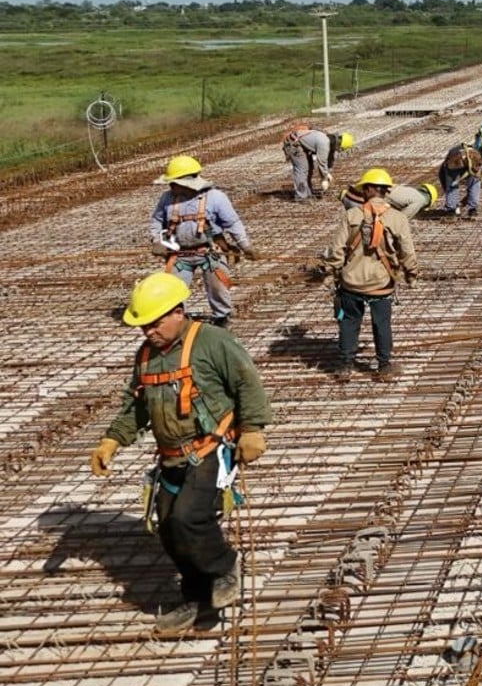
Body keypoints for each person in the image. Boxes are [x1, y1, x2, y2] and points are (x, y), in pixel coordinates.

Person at [89, 272, 272, 635]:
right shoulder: (146, 356)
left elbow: (246, 380)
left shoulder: (212, 341)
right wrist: (112, 440)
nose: (148, 332)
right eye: (142, 327)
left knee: (188, 518)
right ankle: (196, 598)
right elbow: (136, 406)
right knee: (169, 530)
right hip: (170, 455)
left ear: (177, 312)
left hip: (210, 449)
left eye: (154, 323)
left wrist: (252, 430)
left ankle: (224, 567)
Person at [320, 168, 419, 381]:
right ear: (385, 191)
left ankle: (345, 365)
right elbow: (407, 251)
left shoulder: (351, 216)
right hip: (381, 283)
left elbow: (337, 250)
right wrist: (411, 273)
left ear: (367, 190)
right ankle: (383, 366)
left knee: (348, 322)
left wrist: (331, 271)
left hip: (351, 283)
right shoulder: (397, 218)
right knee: (381, 323)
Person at [148, 155, 257, 328]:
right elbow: (156, 221)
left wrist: (245, 245)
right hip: (180, 254)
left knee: (217, 287)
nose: (170, 186)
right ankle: (177, 318)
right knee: (173, 289)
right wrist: (157, 240)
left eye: (173, 182)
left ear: (186, 182)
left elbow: (232, 223)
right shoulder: (167, 198)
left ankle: (222, 317)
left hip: (209, 252)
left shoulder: (215, 197)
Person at [282, 124, 354, 202]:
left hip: (301, 145)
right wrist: (324, 178)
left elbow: (329, 159)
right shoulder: (325, 144)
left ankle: (307, 193)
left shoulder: (330, 140)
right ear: (340, 145)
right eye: (340, 149)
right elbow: (321, 163)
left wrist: (327, 173)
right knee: (302, 170)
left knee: (309, 168)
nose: (338, 150)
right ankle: (301, 196)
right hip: (294, 144)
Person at [439, 141, 482, 218]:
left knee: (451, 185)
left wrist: (449, 189)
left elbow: (447, 183)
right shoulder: (477, 151)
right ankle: (472, 210)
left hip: (456, 159)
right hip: (471, 158)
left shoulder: (446, 164)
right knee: (474, 183)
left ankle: (451, 211)